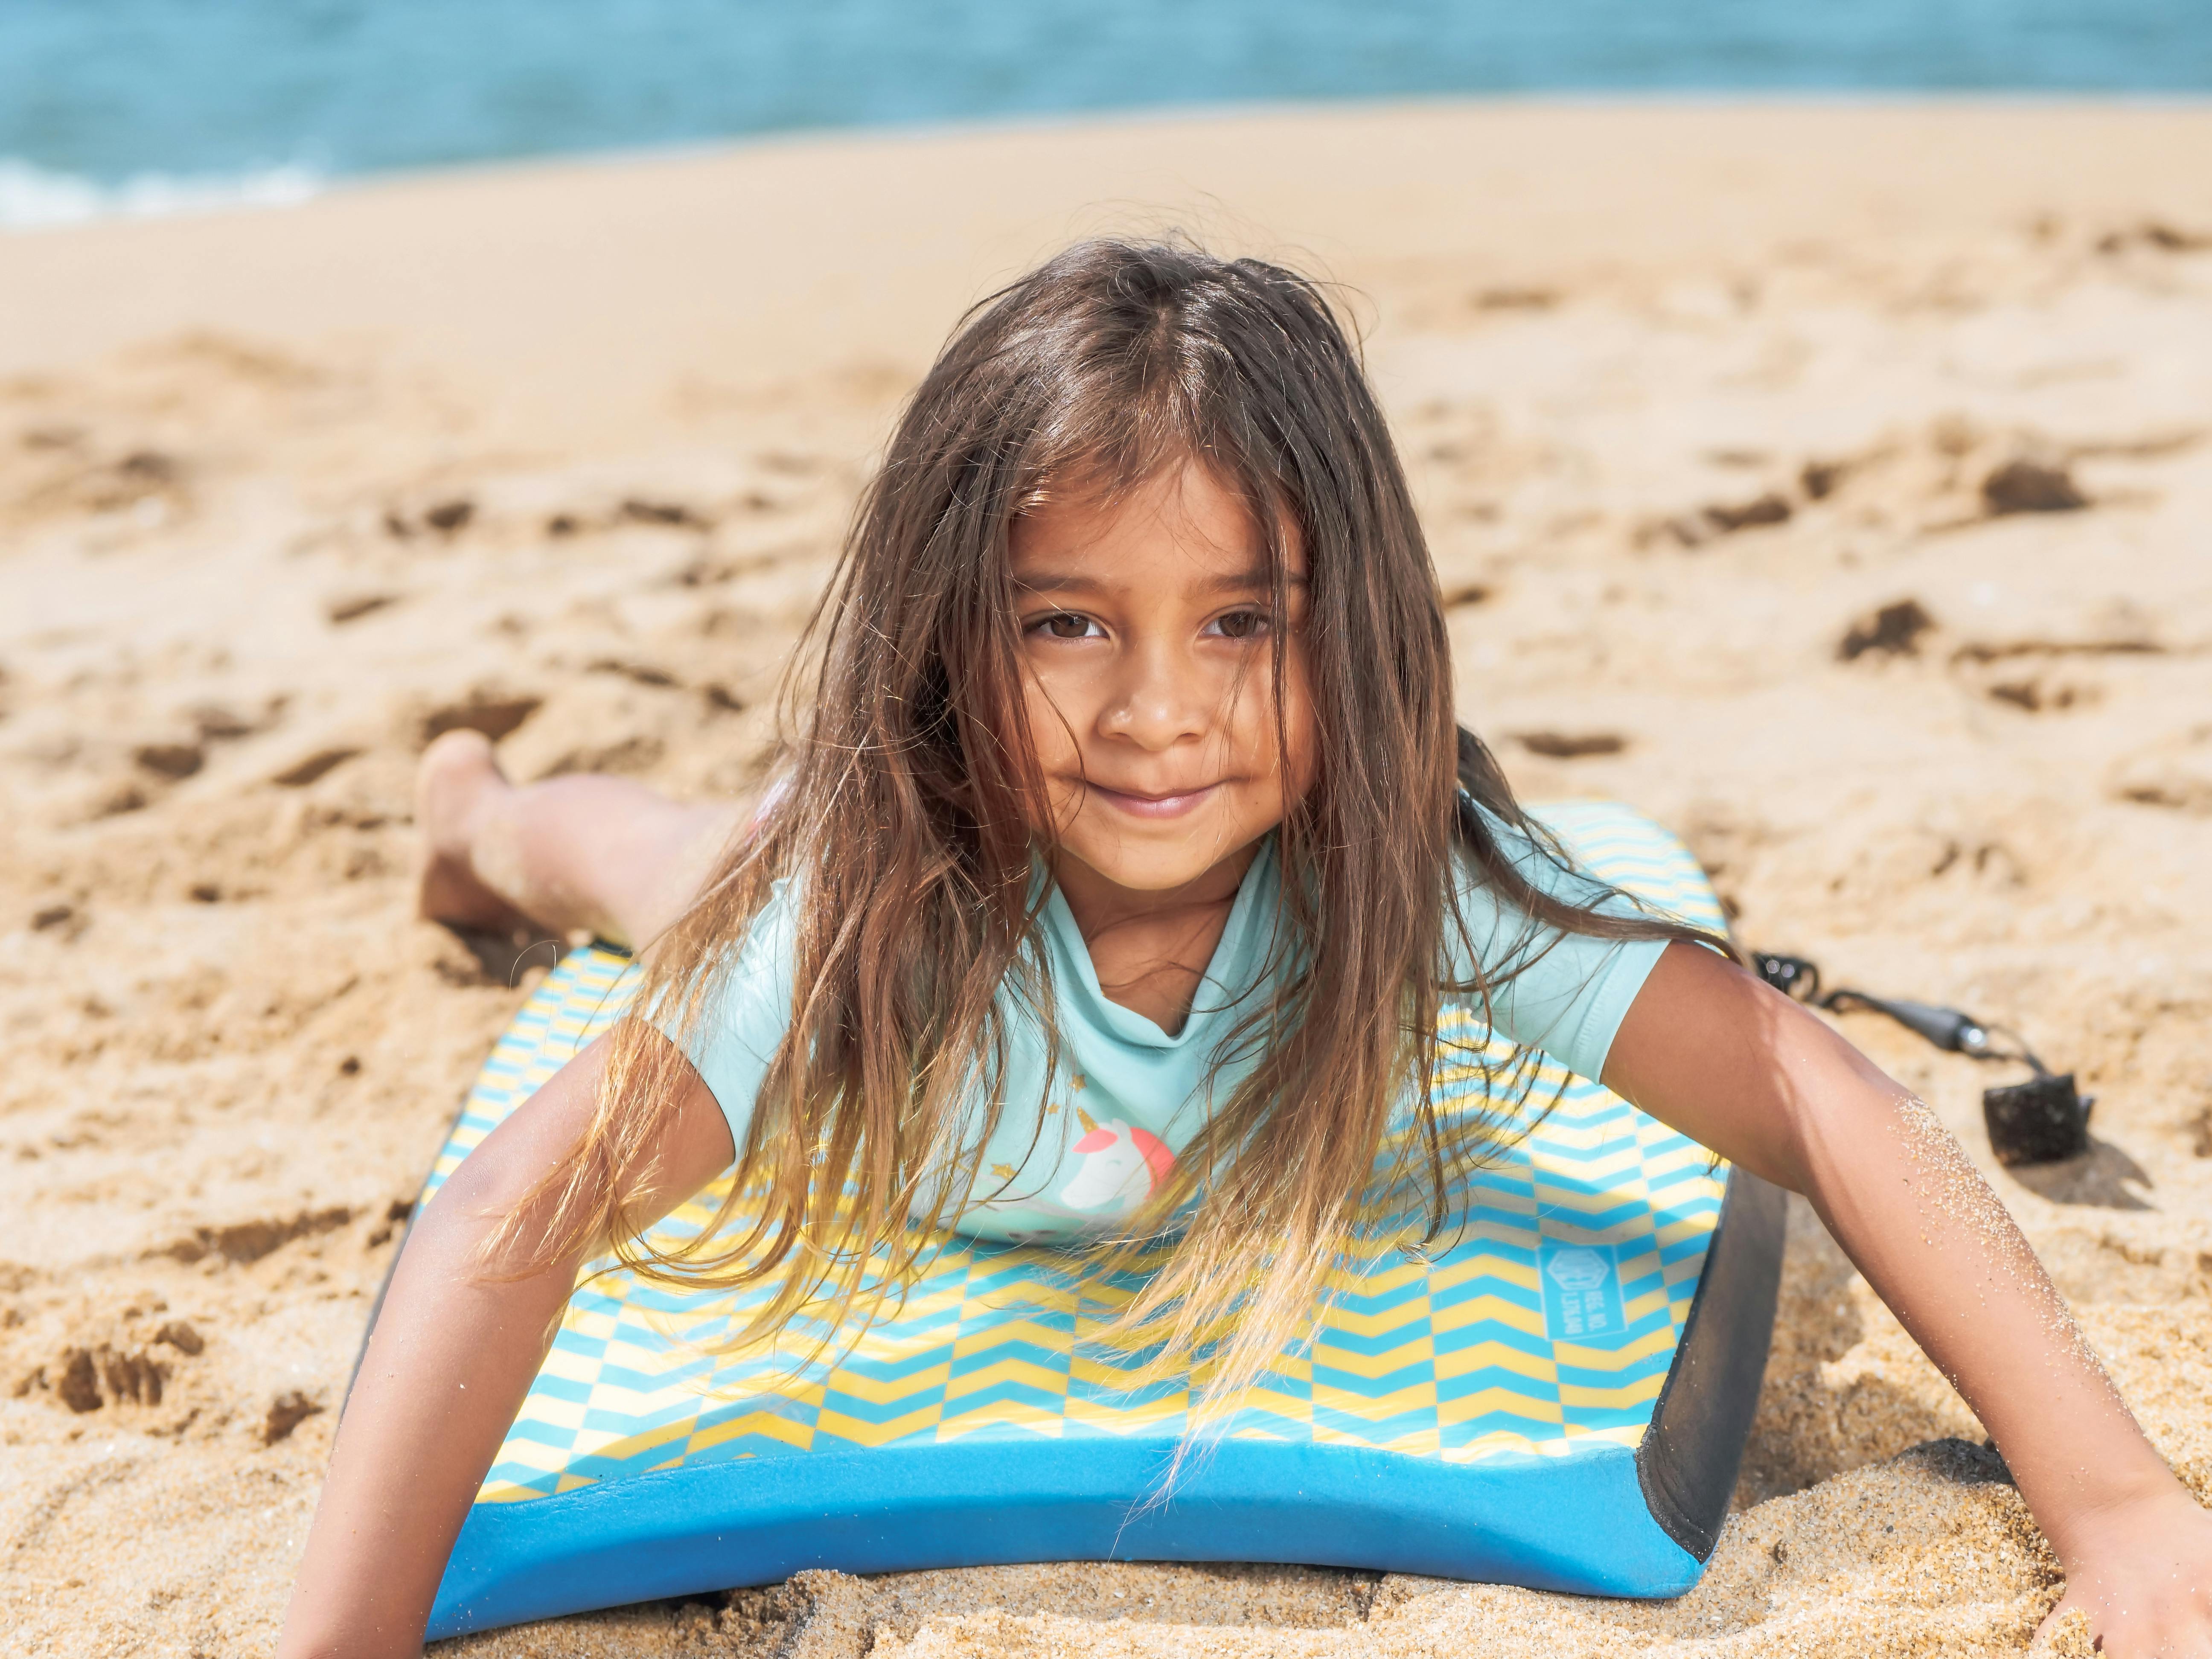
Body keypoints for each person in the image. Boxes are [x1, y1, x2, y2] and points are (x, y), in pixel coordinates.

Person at [278, 241, 2211, 1658]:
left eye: (1240, 623)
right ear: (952, 634)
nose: (1157, 715)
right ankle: (476, 814)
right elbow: (515, 1210)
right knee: (657, 865)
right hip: (815, 850)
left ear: (1348, 623)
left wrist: (2115, 1502)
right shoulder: (870, 913)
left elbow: (1799, 1085)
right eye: (1066, 624)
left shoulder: (1401, 876)